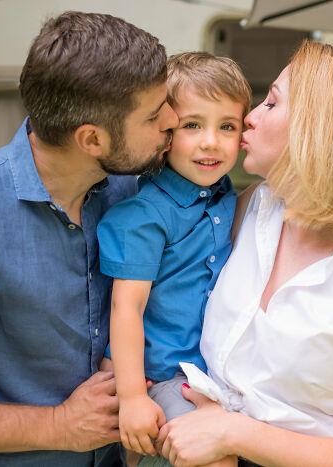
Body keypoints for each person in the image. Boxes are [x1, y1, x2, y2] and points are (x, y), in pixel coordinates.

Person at [0, 11, 178, 466]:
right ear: (92, 139)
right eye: (153, 114)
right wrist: (57, 426)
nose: (172, 119)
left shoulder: (132, 190)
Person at [154, 40, 333, 467]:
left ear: (322, 128)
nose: (248, 118)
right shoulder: (250, 208)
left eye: (270, 103)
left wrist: (234, 432)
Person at [96, 52, 250, 466]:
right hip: (161, 376)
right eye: (192, 125)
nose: (211, 142)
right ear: (165, 133)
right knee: (214, 458)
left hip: (216, 373)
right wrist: (130, 397)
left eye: (227, 126)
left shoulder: (225, 197)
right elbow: (126, 306)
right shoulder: (145, 215)